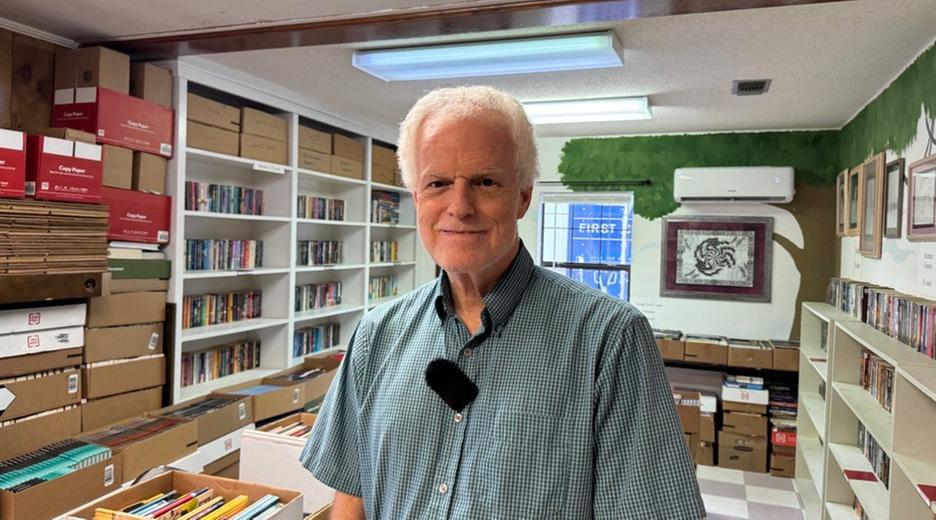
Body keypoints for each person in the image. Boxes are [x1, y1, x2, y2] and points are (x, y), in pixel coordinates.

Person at [300, 86, 705, 519]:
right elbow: (351, 496)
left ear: (523, 197)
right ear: (417, 197)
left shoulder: (609, 338)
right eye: (437, 183)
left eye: (485, 182)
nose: (459, 206)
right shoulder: (377, 334)